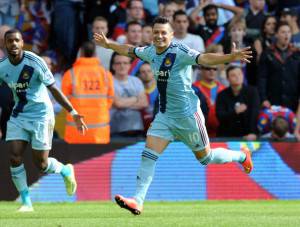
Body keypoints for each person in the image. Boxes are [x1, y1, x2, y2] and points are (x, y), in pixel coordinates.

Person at [94, 16, 253, 215]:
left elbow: (204, 58)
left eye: (163, 33)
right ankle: (138, 200)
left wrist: (229, 57)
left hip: (188, 117)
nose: (159, 36)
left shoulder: (180, 52)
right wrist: (109, 44)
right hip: (165, 116)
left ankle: (241, 155)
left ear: (171, 35)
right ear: (152, 35)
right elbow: (128, 50)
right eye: (156, 32)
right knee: (148, 155)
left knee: (206, 158)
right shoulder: (150, 52)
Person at [0, 29, 87, 212]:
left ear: (22, 43)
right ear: (5, 44)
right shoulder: (2, 67)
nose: (14, 44)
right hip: (19, 115)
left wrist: (73, 111)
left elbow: (54, 89)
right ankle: (26, 203)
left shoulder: (35, 62)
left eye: (17, 40)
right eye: (10, 41)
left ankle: (65, 170)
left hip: (41, 115)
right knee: (14, 156)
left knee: (41, 164)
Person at [62, 41, 114, 144]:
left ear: (80, 53)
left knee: (75, 160)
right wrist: (101, 109)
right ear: (95, 54)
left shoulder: (70, 73)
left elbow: (64, 100)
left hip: (76, 130)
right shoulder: (105, 74)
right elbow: (110, 98)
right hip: (100, 130)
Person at [216, 65, 260, 140]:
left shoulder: (252, 92)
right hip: (227, 135)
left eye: (239, 74)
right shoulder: (222, 95)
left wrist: (253, 133)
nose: (237, 77)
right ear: (228, 79)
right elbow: (220, 116)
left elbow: (254, 113)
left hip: (248, 134)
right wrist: (235, 112)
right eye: (233, 75)